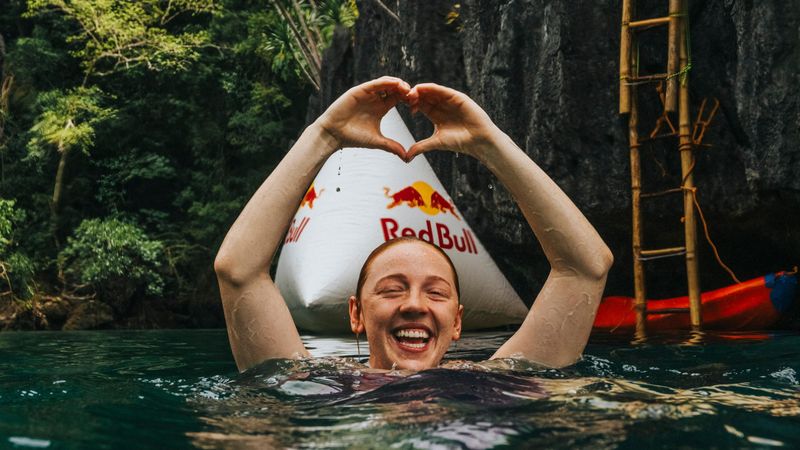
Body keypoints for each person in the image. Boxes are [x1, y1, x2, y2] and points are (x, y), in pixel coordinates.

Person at [214, 76, 613, 373]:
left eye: (436, 294)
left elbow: (586, 268)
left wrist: (489, 142)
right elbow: (238, 272)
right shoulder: (316, 383)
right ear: (356, 314)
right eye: (391, 289)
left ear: (457, 321)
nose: (414, 305)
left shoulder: (492, 380)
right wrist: (325, 134)